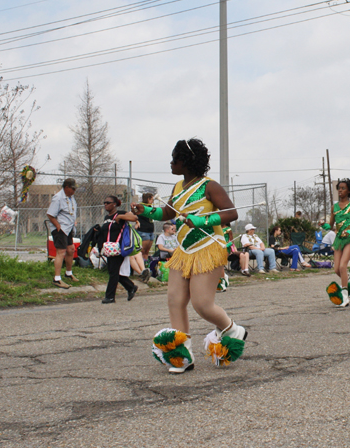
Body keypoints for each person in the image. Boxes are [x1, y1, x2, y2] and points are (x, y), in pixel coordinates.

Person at [133, 138, 246, 374]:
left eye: (174, 159)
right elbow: (168, 212)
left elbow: (231, 213)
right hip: (183, 252)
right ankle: (182, 356)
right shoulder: (177, 188)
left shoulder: (209, 186)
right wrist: (147, 211)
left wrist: (202, 220)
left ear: (186, 162)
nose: (171, 163)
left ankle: (232, 329)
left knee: (202, 304)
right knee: (175, 300)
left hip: (208, 248)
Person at [325, 179, 350, 307]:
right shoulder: (334, 207)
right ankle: (349, 280)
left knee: (342, 266)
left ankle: (345, 296)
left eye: (343, 188)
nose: (340, 190)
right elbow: (330, 225)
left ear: (349, 191)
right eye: (339, 188)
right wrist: (323, 225)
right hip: (339, 239)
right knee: (336, 269)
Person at [98, 195, 139, 304]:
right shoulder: (106, 217)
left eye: (108, 202)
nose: (105, 204)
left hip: (118, 248)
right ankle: (131, 287)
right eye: (104, 202)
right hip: (109, 248)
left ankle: (110, 297)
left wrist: (121, 217)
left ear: (114, 204)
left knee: (113, 272)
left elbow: (134, 218)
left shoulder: (120, 213)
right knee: (114, 272)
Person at [46, 178, 78, 289]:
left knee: (71, 249)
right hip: (60, 229)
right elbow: (50, 214)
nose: (74, 191)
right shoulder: (58, 198)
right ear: (66, 187)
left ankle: (68, 273)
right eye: (72, 189)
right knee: (61, 252)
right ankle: (57, 279)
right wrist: (58, 226)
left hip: (68, 228)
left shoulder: (71, 197)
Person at [138, 192, 156, 264]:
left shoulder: (151, 208)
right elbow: (135, 215)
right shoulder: (141, 207)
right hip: (143, 231)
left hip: (150, 231)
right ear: (148, 199)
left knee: (147, 251)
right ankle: (140, 266)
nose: (153, 201)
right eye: (152, 199)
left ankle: (145, 265)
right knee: (142, 250)